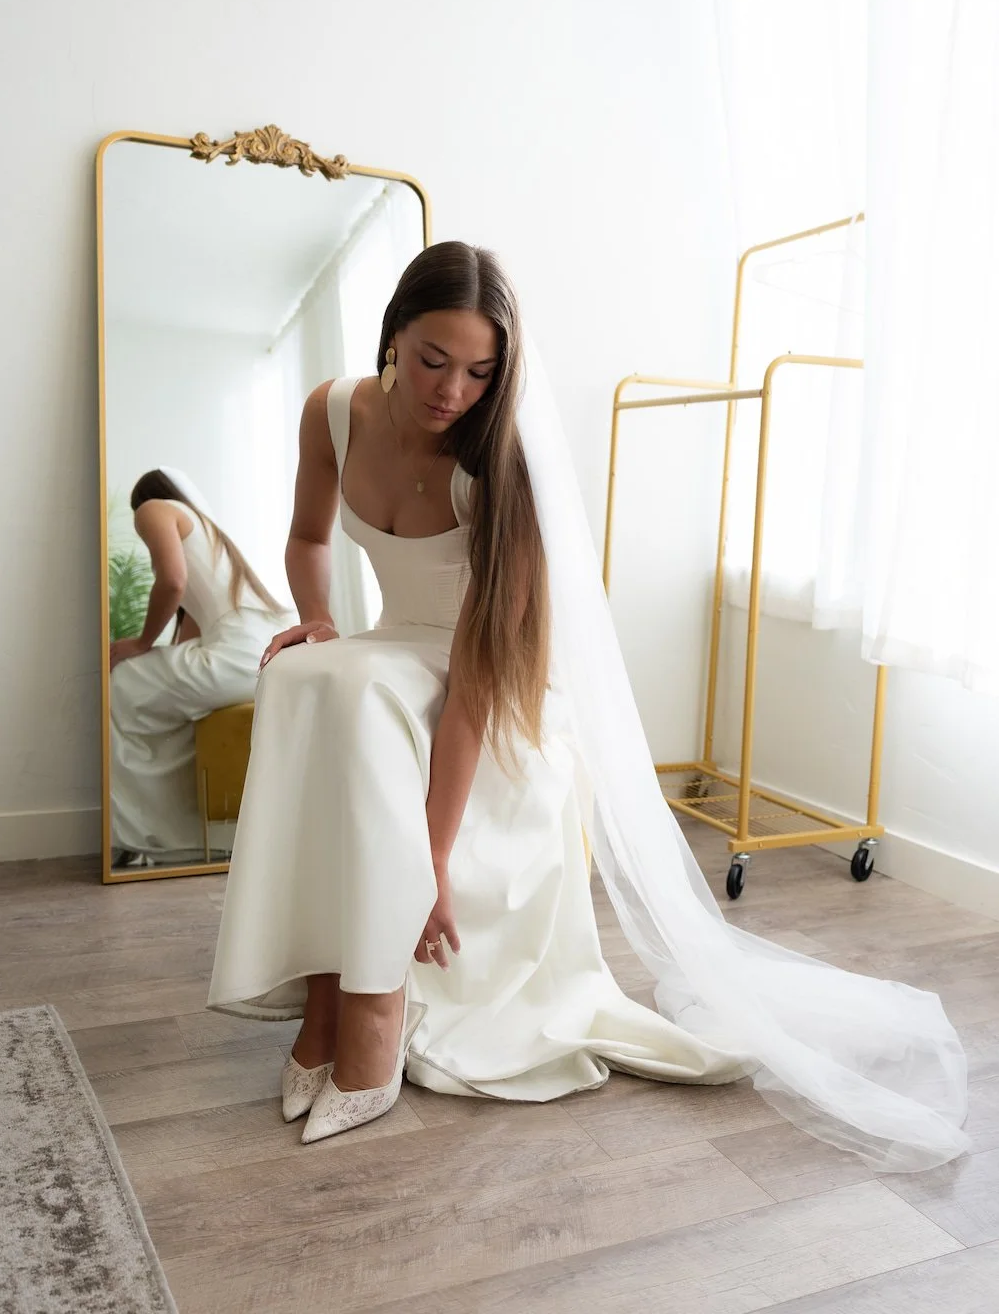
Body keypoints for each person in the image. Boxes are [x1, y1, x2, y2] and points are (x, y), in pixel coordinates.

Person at [208, 243, 968, 1168]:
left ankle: (371, 1010)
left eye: (481, 372)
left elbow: (479, 679)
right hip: (396, 643)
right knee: (299, 672)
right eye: (431, 360)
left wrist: (432, 863)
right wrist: (318, 617)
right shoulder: (332, 412)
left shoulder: (502, 459)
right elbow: (304, 534)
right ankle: (326, 991)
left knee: (359, 690)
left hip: (491, 676)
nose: (452, 390)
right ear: (392, 338)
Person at [110, 469, 295, 865]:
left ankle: (148, 833)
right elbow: (190, 629)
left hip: (237, 654)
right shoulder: (209, 534)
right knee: (158, 692)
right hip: (269, 652)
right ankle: (189, 834)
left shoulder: (152, 509)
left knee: (120, 682)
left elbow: (172, 581)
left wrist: (140, 644)